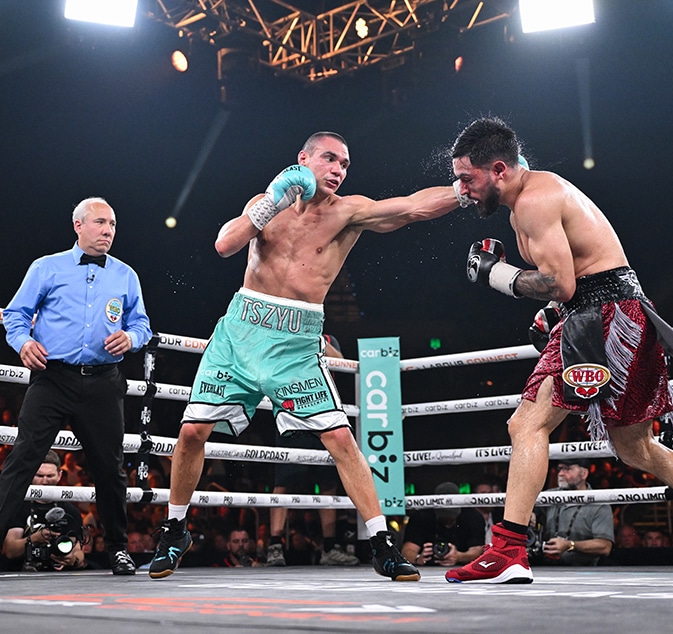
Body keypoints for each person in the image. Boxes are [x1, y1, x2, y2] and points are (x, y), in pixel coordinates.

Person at [443, 116, 673, 583]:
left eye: (466, 178)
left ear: (498, 169)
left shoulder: (535, 201)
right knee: (636, 447)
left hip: (604, 317)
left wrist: (497, 275)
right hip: (618, 310)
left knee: (527, 423)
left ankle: (509, 550)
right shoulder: (536, 195)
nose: (462, 189)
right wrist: (556, 314)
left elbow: (561, 282)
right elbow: (581, 278)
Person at [149, 131, 463, 581]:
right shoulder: (267, 202)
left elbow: (411, 207)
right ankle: (175, 530)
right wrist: (271, 201)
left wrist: (465, 192)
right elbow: (224, 245)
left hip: (296, 342)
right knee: (193, 431)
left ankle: (382, 543)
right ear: (303, 159)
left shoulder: (348, 211)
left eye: (346, 164)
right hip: (240, 333)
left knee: (340, 439)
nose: (339, 170)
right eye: (330, 160)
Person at [0, 197, 152, 575]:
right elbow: (16, 314)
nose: (108, 231)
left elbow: (142, 324)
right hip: (53, 377)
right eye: (100, 223)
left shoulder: (126, 275)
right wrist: (23, 342)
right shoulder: (47, 267)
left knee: (110, 468)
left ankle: (117, 548)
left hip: (103, 381)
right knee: (22, 459)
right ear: (78, 225)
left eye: (112, 224)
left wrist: (131, 338)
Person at [266, 334, 360, 567]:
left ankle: (329, 547)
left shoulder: (327, 339)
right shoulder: (285, 336)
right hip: (292, 412)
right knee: (284, 481)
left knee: (328, 483)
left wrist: (317, 340)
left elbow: (341, 362)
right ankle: (275, 546)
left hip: (323, 413)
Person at [0, 451, 86, 571]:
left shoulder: (70, 510)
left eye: (50, 476)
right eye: (39, 476)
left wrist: (72, 559)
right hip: (21, 575)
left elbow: (78, 552)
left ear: (59, 475)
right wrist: (36, 538)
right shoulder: (18, 507)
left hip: (61, 578)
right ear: (31, 475)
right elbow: (10, 550)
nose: (45, 481)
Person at [534, 459, 614, 566]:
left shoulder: (598, 504)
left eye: (567, 469)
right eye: (560, 469)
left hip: (584, 571)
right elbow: (525, 508)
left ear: (584, 474)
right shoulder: (549, 496)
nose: (561, 473)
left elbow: (605, 546)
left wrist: (570, 545)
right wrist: (531, 513)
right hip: (547, 566)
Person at [400, 482, 486, 568]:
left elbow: (477, 550)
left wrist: (459, 556)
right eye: (444, 517)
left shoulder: (472, 517)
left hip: (462, 568)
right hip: (427, 568)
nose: (447, 520)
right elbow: (408, 550)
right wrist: (418, 558)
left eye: (451, 517)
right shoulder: (421, 517)